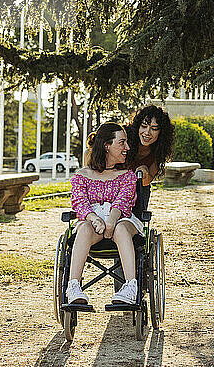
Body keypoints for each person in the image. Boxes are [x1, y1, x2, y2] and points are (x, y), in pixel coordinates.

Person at [67, 122, 143, 305]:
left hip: (122, 218)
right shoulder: (81, 175)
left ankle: (131, 287)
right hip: (93, 222)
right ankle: (73, 287)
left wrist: (110, 221)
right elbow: (80, 202)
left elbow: (123, 202)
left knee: (120, 230)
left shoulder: (127, 176)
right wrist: (94, 219)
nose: (127, 147)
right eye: (122, 143)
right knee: (84, 228)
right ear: (106, 146)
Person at [126, 105, 175, 186]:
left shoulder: (159, 150)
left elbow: (147, 181)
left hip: (140, 188)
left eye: (154, 129)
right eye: (144, 126)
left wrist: (145, 173)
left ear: (161, 132)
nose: (147, 132)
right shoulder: (124, 138)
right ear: (138, 126)